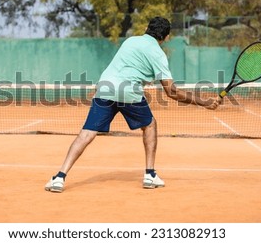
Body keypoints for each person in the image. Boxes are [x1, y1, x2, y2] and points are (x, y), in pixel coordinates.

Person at [45, 16, 221, 193]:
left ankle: (59, 177)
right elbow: (171, 91)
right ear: (166, 37)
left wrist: (143, 79)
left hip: (105, 88)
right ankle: (150, 174)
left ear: (146, 28)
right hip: (129, 93)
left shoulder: (131, 41)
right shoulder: (158, 54)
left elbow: (127, 66)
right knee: (150, 125)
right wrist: (204, 102)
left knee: (87, 133)